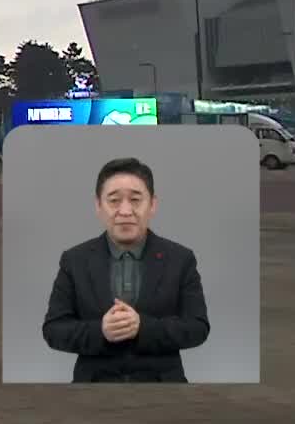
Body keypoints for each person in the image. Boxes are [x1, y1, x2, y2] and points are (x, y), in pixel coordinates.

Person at [41, 156, 209, 382]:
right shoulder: (74, 260)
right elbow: (53, 330)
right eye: (114, 200)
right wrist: (101, 331)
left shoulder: (180, 259)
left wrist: (144, 328)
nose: (125, 211)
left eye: (135, 200)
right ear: (98, 206)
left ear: (153, 204)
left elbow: (197, 327)